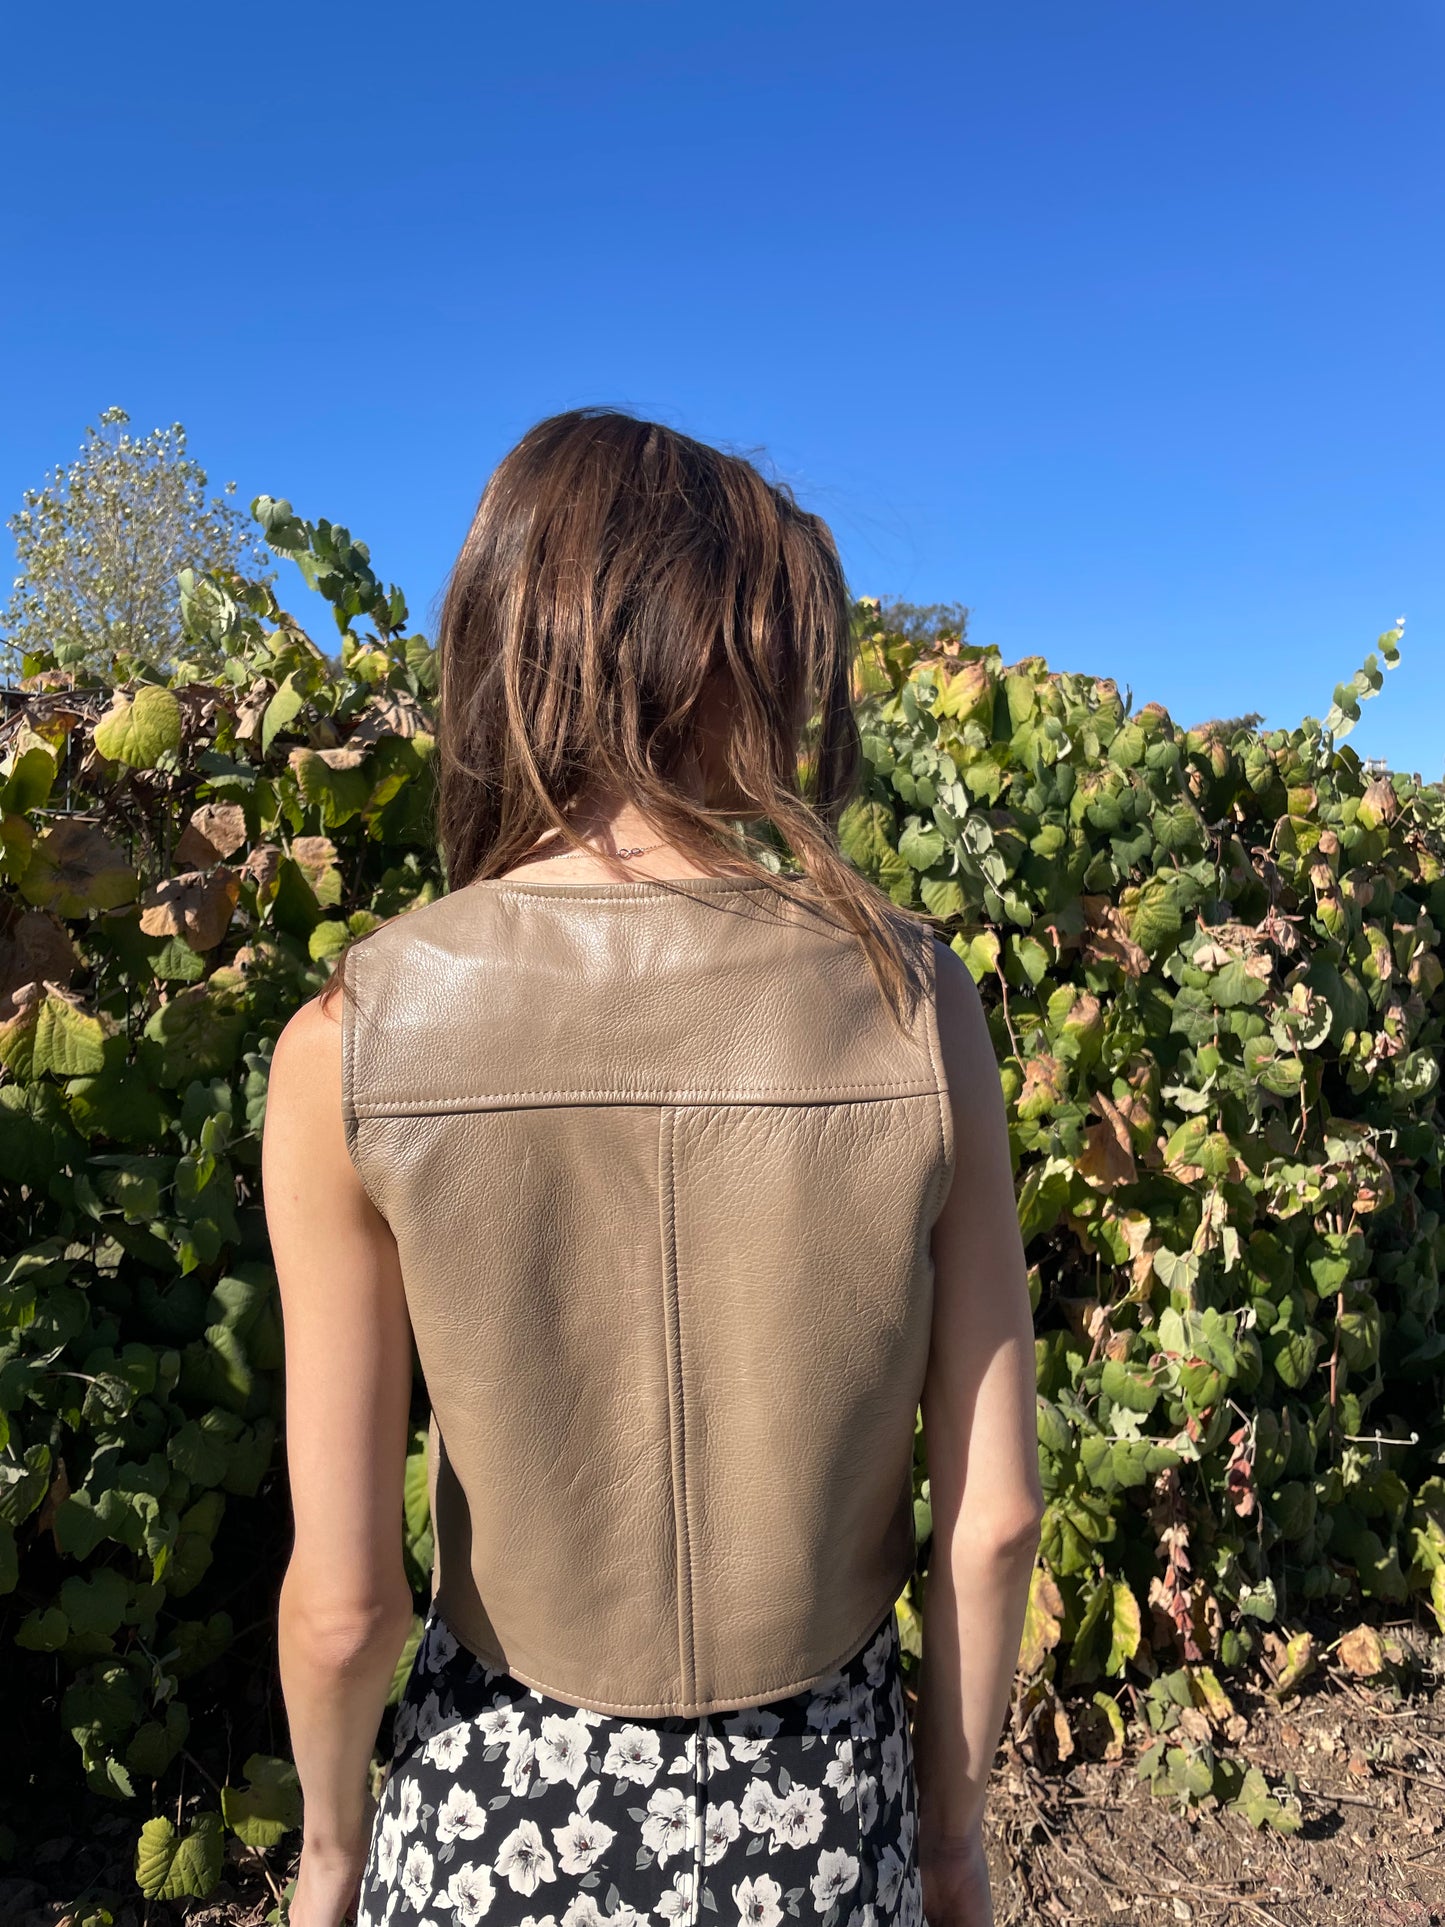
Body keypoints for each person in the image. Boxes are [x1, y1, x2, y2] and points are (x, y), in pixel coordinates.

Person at [262, 409, 1042, 1927]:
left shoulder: (354, 1036)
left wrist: (330, 1851)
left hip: (497, 1813)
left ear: (509, 638)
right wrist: (948, 1844)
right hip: (819, 1815)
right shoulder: (912, 997)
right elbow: (995, 1517)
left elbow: (347, 1604)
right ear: (751, 651)